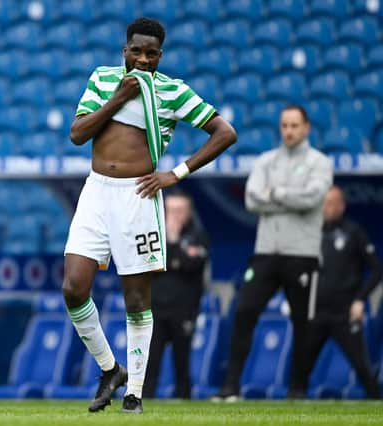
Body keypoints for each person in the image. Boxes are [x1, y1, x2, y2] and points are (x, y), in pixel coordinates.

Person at [63, 17, 236, 413]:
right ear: (124, 50)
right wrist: (118, 99)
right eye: (136, 51)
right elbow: (77, 133)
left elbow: (225, 132)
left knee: (136, 298)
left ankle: (134, 393)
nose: (143, 59)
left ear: (160, 55)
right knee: (74, 287)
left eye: (151, 53)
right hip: (96, 193)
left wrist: (177, 173)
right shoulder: (104, 79)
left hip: (138, 195)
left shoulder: (172, 91)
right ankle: (110, 369)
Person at [214, 105, 333, 401]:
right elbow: (253, 200)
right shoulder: (266, 161)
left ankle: (297, 389)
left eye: (294, 125)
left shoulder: (320, 162)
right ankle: (231, 387)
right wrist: (288, 196)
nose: (289, 131)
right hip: (266, 252)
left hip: (302, 253)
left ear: (306, 128)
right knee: (244, 312)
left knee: (303, 323)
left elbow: (313, 198)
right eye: (284, 125)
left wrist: (275, 193)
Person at [289, 186, 381, 399]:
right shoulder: (311, 233)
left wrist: (360, 299)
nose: (327, 208)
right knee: (300, 369)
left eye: (332, 203)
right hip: (316, 314)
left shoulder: (353, 232)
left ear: (342, 206)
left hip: (344, 314)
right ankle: (291, 411)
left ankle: (377, 405)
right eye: (324, 203)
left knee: (362, 368)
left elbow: (377, 269)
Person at [142, 191, 210, 399]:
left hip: (185, 309)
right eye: (170, 210)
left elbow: (192, 264)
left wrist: (172, 248)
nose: (175, 216)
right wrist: (174, 255)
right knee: (150, 361)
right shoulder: (152, 235)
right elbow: (149, 266)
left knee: (182, 359)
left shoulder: (198, 236)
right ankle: (143, 400)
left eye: (180, 210)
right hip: (155, 308)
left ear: (189, 212)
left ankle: (184, 398)